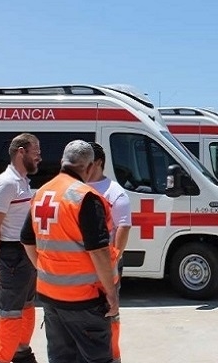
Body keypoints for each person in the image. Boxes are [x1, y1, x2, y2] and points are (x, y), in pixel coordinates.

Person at [20, 140, 119, 363]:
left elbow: (27, 240)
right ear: (90, 166)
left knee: (61, 357)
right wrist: (111, 294)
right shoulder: (85, 197)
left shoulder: (42, 193)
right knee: (96, 358)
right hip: (84, 299)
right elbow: (99, 251)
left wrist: (46, 271)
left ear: (63, 162)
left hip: (50, 297)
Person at [0, 133, 42, 363]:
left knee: (27, 308)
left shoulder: (22, 182)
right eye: (36, 152)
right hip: (12, 256)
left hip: (25, 255)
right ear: (21, 152)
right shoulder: (6, 183)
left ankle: (21, 352)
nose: (40, 158)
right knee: (10, 313)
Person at [88, 141, 132, 363]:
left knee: (110, 311)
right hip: (80, 264)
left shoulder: (114, 192)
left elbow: (123, 226)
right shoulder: (77, 187)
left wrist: (114, 256)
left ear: (98, 163)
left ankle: (112, 356)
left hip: (105, 262)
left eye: (86, 161)